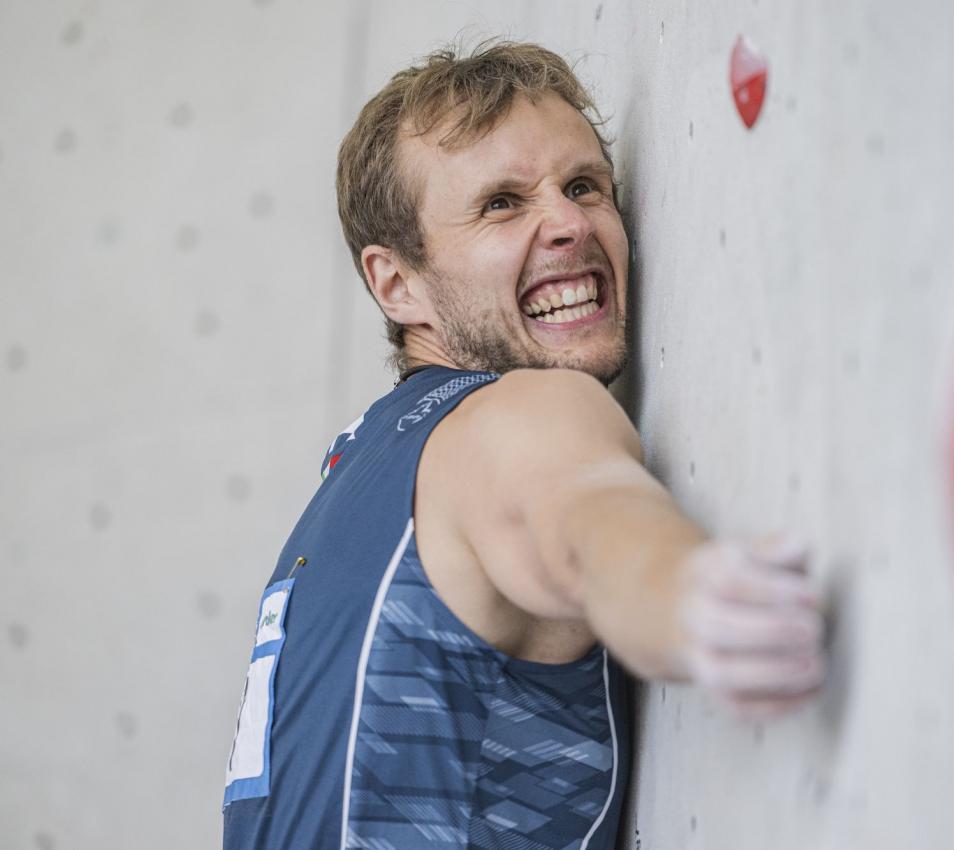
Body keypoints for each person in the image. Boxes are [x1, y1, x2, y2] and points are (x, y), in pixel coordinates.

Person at [221, 40, 827, 850]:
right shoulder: (499, 417)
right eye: (502, 204)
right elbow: (578, 517)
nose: (570, 224)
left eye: (583, 186)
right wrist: (689, 597)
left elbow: (588, 520)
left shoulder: (371, 465)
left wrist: (681, 592)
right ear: (396, 283)